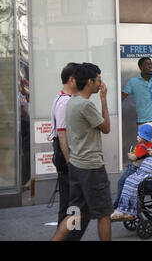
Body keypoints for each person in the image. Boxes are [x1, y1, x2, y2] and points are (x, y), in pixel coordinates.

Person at [52, 63, 113, 241]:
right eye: (99, 79)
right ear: (89, 81)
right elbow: (106, 127)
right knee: (104, 214)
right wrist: (103, 99)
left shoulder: (71, 101)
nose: (100, 83)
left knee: (75, 214)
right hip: (92, 167)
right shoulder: (86, 105)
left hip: (77, 165)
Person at [49, 62, 89, 241]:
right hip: (67, 157)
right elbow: (62, 134)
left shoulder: (61, 98)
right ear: (72, 79)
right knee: (74, 205)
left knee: (69, 204)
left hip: (63, 156)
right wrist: (70, 163)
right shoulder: (65, 102)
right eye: (78, 77)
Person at [112, 124, 152, 209]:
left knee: (121, 181)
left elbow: (133, 157)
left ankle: (117, 202)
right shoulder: (150, 144)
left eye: (139, 135)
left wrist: (129, 155)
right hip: (138, 168)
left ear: (144, 137)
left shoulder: (143, 147)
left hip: (134, 168)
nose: (137, 136)